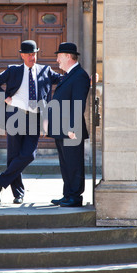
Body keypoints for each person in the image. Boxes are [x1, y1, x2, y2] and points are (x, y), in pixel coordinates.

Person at [0, 40, 61, 204]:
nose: (32, 57)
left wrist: (85, 79)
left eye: (34, 53)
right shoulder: (13, 70)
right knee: (14, 156)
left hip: (35, 117)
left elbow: (62, 79)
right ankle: (18, 194)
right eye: (28, 54)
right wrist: (4, 97)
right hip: (15, 116)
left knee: (29, 154)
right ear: (22, 55)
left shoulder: (45, 70)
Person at [48, 42, 90, 207]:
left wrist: (72, 128)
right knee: (65, 163)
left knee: (73, 163)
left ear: (67, 56)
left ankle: (75, 196)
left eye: (58, 56)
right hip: (61, 128)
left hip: (71, 129)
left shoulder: (79, 75)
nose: (57, 60)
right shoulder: (70, 74)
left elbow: (78, 103)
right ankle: (68, 195)